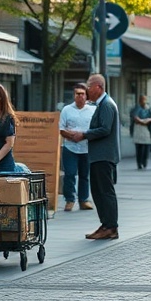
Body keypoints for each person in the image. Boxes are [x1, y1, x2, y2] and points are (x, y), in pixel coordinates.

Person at [67, 74, 119, 240]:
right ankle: (105, 225)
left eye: (89, 86)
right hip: (99, 155)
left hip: (104, 156)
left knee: (105, 191)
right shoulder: (101, 104)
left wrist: (84, 135)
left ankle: (111, 226)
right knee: (98, 191)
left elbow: (105, 129)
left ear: (98, 87)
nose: (87, 89)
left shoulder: (106, 105)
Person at [58, 83, 94, 211]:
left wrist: (83, 135)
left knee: (85, 175)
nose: (80, 96)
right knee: (70, 174)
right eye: (77, 94)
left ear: (86, 96)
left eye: (82, 94)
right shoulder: (67, 110)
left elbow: (95, 129)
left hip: (86, 148)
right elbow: (61, 129)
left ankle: (83, 200)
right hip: (70, 147)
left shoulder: (92, 110)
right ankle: (69, 200)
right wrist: (73, 136)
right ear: (74, 96)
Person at [130, 95, 151, 170]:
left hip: (147, 129)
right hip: (138, 129)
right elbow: (136, 118)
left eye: (145, 99)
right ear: (140, 101)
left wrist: (148, 120)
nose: (144, 101)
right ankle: (139, 163)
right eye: (142, 100)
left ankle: (145, 162)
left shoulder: (149, 108)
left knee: (146, 146)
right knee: (139, 147)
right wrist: (144, 121)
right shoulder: (136, 108)